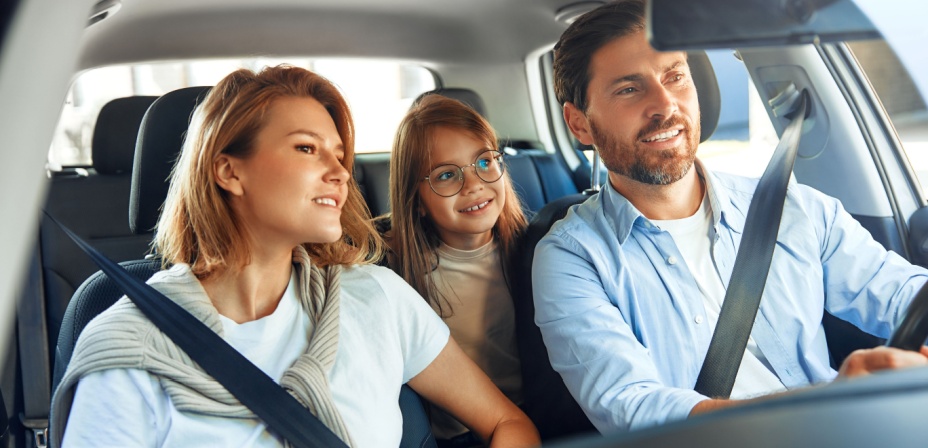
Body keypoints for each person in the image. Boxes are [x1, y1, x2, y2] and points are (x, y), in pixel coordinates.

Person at [51, 65, 539, 448]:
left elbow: (507, 423)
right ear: (228, 171)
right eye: (307, 148)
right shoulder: (128, 347)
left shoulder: (378, 297)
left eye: (338, 153)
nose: (340, 172)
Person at [532, 0, 928, 434]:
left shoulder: (794, 208)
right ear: (580, 125)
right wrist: (828, 401)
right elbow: (634, 408)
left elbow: (904, 294)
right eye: (629, 89)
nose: (665, 105)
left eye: (675, 76)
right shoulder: (571, 259)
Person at [385, 94, 529, 447]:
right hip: (454, 436)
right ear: (416, 201)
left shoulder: (533, 252)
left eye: (484, 162)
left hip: (533, 415)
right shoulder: (397, 272)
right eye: (447, 175)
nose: (474, 184)